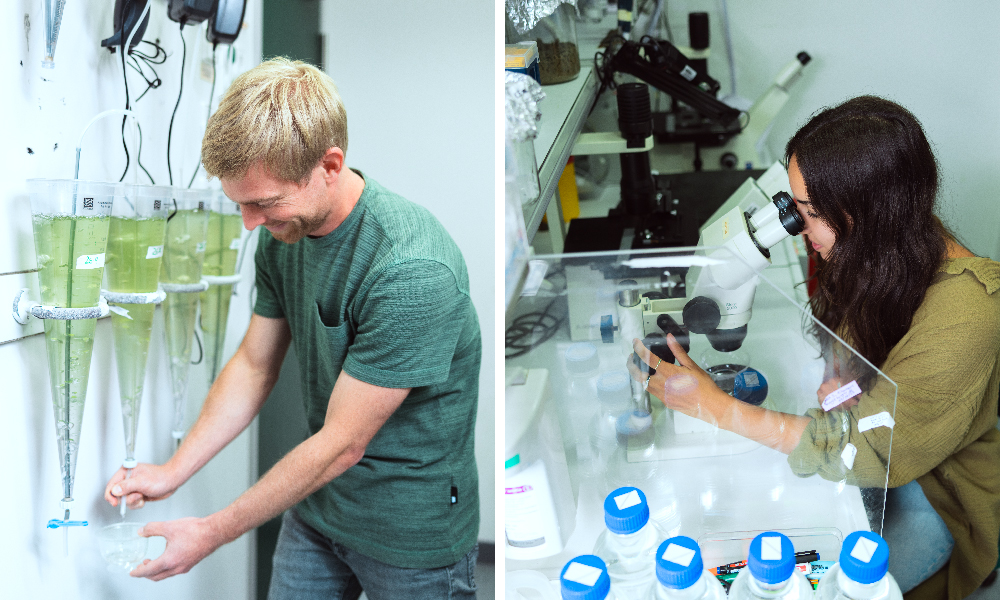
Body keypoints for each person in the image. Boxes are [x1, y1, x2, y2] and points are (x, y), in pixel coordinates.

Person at [103, 58, 481, 599]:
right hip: (318, 507)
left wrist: (211, 533)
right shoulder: (283, 236)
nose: (250, 223)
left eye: (264, 203)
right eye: (240, 204)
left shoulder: (409, 269)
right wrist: (172, 470)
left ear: (330, 164)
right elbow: (255, 365)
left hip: (409, 532)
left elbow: (342, 444)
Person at [628, 96, 1000, 599]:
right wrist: (853, 377)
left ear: (865, 212)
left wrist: (714, 406)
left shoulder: (970, 312)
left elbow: (873, 453)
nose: (796, 225)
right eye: (793, 205)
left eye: (809, 211)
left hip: (937, 495)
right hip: (886, 451)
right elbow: (855, 347)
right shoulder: (885, 248)